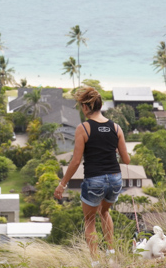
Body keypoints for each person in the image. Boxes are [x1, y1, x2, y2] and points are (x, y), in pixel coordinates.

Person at [54, 86, 130, 255]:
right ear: (100, 106)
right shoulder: (116, 128)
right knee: (104, 211)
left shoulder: (84, 128)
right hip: (115, 179)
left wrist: (62, 184)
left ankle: (95, 262)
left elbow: (75, 161)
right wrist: (115, 150)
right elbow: (127, 160)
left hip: (95, 180)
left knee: (90, 220)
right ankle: (111, 254)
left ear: (86, 107)